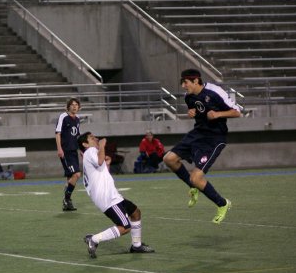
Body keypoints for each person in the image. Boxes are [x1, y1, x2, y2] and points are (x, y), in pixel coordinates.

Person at [163, 68, 242, 224]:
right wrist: (191, 112)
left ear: (195, 81)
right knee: (169, 159)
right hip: (198, 134)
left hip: (214, 139)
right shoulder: (189, 97)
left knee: (196, 177)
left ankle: (223, 204)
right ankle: (193, 187)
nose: (183, 86)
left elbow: (237, 111)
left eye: (185, 82)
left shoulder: (214, 91)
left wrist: (218, 114)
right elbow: (196, 109)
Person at [78, 131, 155, 258]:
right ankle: (94, 239)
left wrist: (106, 163)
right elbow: (99, 161)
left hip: (111, 195)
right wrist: (102, 145)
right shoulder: (90, 151)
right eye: (92, 138)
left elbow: (101, 170)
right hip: (108, 198)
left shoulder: (89, 154)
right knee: (125, 227)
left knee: (135, 213)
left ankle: (136, 246)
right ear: (85, 144)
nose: (96, 139)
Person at [55, 97, 81, 211]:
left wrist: (81, 150)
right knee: (77, 175)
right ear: (68, 106)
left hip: (73, 151)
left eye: (76, 105)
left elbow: (77, 136)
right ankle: (67, 198)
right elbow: (58, 133)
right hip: (66, 151)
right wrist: (59, 149)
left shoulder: (77, 119)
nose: (74, 106)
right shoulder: (63, 117)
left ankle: (67, 203)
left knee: (70, 178)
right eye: (72, 104)